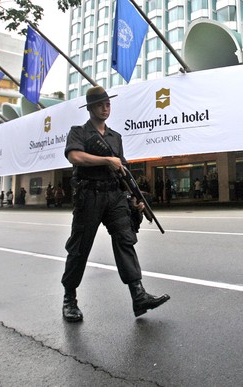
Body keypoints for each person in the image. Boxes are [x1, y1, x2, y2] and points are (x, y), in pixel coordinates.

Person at [61, 86, 169, 322]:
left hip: (114, 196)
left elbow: (124, 172)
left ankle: (138, 295)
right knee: (80, 247)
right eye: (100, 104)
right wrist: (106, 160)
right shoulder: (78, 132)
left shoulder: (115, 137)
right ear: (90, 108)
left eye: (108, 104)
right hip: (89, 196)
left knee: (125, 239)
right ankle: (69, 298)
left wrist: (136, 199)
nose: (105, 107)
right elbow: (74, 156)